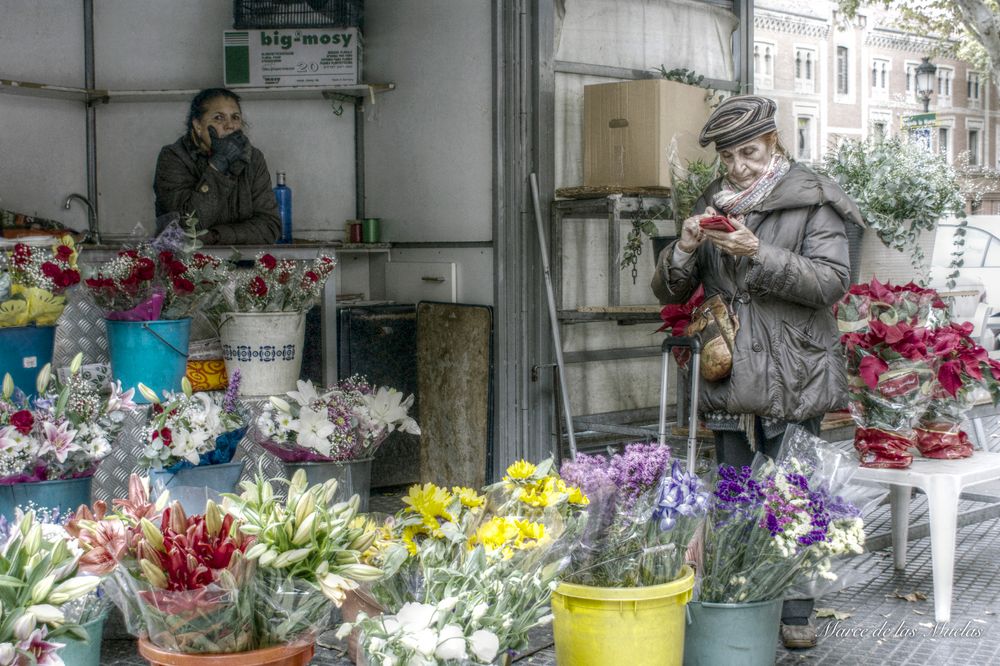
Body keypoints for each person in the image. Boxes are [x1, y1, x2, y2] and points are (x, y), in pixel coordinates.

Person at [650, 95, 863, 649]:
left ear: (773, 142)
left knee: (796, 485)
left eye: (749, 151)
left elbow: (832, 283)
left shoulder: (813, 199)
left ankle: (797, 607)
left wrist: (757, 250)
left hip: (792, 364)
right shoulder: (713, 200)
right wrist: (685, 247)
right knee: (736, 490)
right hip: (728, 363)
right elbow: (668, 290)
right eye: (729, 155)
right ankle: (743, 592)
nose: (738, 166)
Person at [154, 88, 281, 244]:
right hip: (186, 264)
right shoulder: (174, 157)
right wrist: (218, 166)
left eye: (235, 117)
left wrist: (215, 236)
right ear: (198, 126)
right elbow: (186, 226)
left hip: (244, 262)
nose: (230, 126)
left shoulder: (253, 159)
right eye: (219, 118)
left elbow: (270, 226)